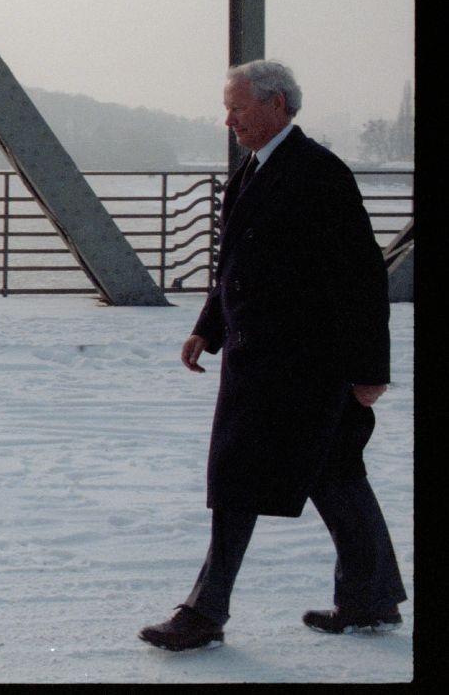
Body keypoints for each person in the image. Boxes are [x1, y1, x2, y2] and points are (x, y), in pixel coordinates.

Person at [139, 60, 407, 652]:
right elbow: (239, 263)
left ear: (277, 105)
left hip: (302, 366)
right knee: (335, 473)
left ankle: (204, 612)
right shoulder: (256, 171)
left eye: (237, 107)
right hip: (262, 360)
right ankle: (371, 596)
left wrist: (370, 370)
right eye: (228, 107)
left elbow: (361, 277)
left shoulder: (318, 173)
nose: (228, 119)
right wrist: (207, 327)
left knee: (238, 479)